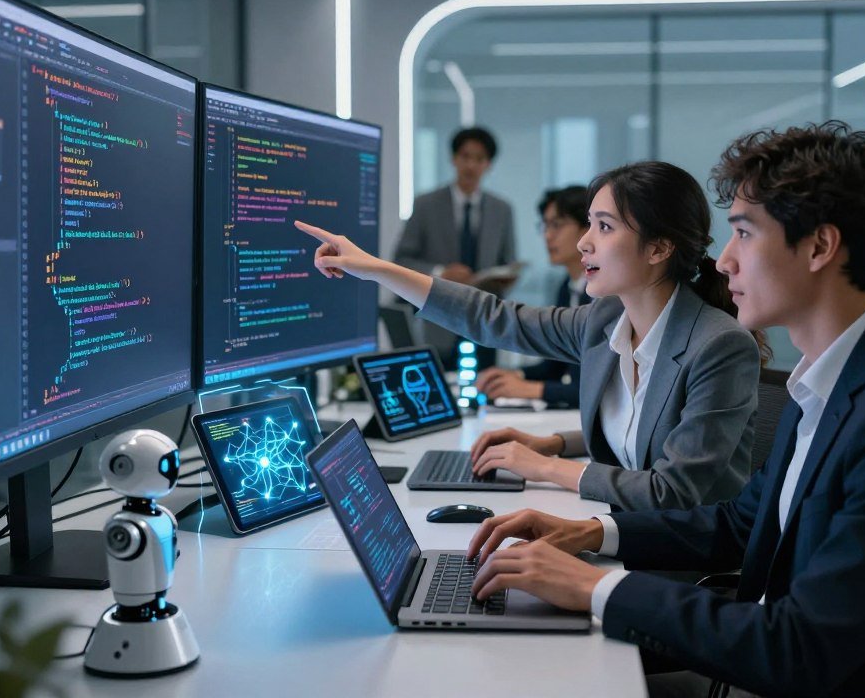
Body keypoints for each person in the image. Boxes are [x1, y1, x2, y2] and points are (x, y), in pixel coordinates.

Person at [462, 122, 865, 698]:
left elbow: (800, 648)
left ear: (819, 246)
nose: (725, 261)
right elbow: (740, 523)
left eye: (745, 234)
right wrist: (588, 533)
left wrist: (593, 589)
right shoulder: (836, 376)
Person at [296, 160, 764, 513]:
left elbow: (673, 492)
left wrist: (546, 468)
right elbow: (494, 318)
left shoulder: (718, 345)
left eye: (604, 227)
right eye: (588, 224)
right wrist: (378, 270)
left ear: (660, 248)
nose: (584, 242)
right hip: (627, 528)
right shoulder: (604, 321)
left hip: (683, 562)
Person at [393, 127, 516, 366]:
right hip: (439, 319)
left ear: (488, 164)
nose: (471, 165)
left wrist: (504, 278)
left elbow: (508, 261)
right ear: (453, 159)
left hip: (484, 321)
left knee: (485, 392)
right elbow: (401, 260)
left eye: (479, 159)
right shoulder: (425, 205)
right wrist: (440, 273)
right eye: (465, 156)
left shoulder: (502, 210)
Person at [475, 185, 591, 408]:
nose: (547, 236)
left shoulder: (604, 295)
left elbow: (599, 391)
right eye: (545, 226)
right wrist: (514, 375)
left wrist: (532, 390)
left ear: (586, 228)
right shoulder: (567, 288)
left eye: (556, 225)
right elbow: (555, 366)